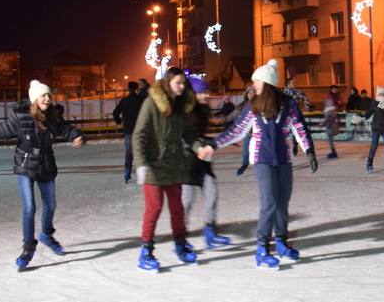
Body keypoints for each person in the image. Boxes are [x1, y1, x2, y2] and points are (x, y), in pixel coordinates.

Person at [0, 80, 85, 269]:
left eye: (49, 95)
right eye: (43, 95)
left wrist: (77, 136)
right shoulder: (20, 118)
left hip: (46, 164)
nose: (47, 99)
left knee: (51, 205)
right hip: (25, 165)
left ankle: (47, 235)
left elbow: (68, 129)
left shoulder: (53, 118)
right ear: (34, 99)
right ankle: (28, 247)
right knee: (29, 207)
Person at [211, 59, 317, 269]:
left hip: (284, 159)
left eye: (257, 82)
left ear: (267, 83)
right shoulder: (254, 105)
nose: (254, 86)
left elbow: (299, 128)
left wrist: (309, 150)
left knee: (282, 204)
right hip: (262, 160)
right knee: (269, 204)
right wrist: (213, 144)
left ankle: (281, 244)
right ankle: (261, 249)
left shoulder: (289, 104)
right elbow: (237, 130)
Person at [133, 67, 213, 272]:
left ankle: (180, 244)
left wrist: (199, 148)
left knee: (177, 209)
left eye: (183, 83)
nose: (181, 86)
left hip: (175, 165)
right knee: (154, 209)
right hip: (154, 165)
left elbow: (189, 134)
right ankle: (146, 252)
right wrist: (141, 163)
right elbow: (139, 134)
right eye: (177, 82)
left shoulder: (182, 106)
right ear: (168, 82)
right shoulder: (151, 103)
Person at [184, 74, 230, 249]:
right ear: (193, 94)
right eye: (202, 92)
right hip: (187, 162)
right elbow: (185, 137)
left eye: (206, 92)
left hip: (203, 160)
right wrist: (202, 144)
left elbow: (200, 136)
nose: (206, 95)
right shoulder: (186, 112)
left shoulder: (203, 110)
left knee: (211, 194)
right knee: (186, 201)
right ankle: (180, 237)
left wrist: (207, 143)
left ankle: (210, 232)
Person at [112, 80, 145, 183]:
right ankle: (143, 174)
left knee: (129, 153)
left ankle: (127, 173)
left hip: (128, 131)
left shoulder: (124, 101)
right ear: (136, 89)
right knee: (142, 152)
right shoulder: (142, 100)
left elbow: (115, 112)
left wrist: (119, 121)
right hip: (141, 131)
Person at [322, 84, 341, 158]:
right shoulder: (329, 97)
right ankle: (333, 151)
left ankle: (333, 151)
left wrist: (322, 123)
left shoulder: (337, 97)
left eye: (335, 89)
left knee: (330, 138)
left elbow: (330, 117)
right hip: (331, 124)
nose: (334, 90)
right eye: (333, 89)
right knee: (330, 138)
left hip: (331, 124)